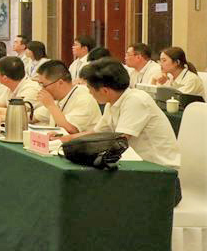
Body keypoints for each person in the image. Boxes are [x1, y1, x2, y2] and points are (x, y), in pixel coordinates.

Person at [66, 59, 180, 202]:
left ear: (105, 90)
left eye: (90, 88)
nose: (89, 93)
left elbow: (119, 143)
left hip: (161, 178)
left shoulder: (136, 101)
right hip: (137, 172)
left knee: (93, 195)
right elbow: (96, 133)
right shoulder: (113, 102)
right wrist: (64, 139)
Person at [33, 60, 101, 134]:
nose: (42, 89)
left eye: (43, 85)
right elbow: (34, 117)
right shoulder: (57, 98)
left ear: (60, 83)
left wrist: (51, 106)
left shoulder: (84, 98)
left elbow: (71, 130)